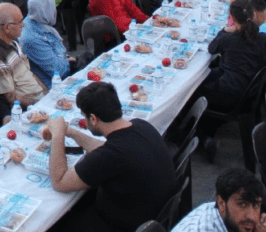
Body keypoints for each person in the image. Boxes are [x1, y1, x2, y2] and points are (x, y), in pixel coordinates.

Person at [44, 82, 176, 232]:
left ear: (93, 119)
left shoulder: (111, 156)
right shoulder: (140, 125)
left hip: (122, 225)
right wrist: (71, 132)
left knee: (57, 221)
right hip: (154, 215)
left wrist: (57, 136)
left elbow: (59, 181)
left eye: (84, 117)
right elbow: (104, 148)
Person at [196, 0, 266, 159]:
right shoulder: (263, 38)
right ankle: (210, 126)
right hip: (249, 88)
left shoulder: (229, 39)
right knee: (207, 75)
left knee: (189, 92)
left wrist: (224, 30)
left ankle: (203, 138)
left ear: (232, 18)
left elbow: (212, 48)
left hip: (232, 94)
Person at [171, 167, 266, 232]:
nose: (252, 216)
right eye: (242, 205)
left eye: (256, 205)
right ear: (221, 203)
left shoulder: (218, 212)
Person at [0, 3, 47, 106]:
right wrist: (39, 103)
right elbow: (10, 98)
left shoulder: (12, 39)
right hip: (30, 107)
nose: (24, 25)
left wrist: (46, 93)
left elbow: (29, 73)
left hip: (40, 97)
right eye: (20, 22)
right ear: (7, 27)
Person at [21, 0, 70, 87]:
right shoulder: (32, 39)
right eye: (52, 6)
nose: (54, 10)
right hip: (54, 85)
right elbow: (60, 72)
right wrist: (68, 61)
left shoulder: (35, 18)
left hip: (62, 67)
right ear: (44, 10)